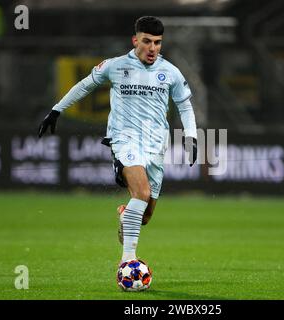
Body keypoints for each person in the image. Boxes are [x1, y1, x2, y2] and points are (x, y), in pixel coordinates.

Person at [38, 16, 198, 264]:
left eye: (157, 43)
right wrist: (56, 110)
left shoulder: (170, 72)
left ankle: (126, 216)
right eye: (147, 41)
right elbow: (84, 85)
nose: (153, 48)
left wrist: (191, 136)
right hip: (125, 139)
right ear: (135, 40)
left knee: (144, 215)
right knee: (142, 192)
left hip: (156, 146)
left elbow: (185, 106)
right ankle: (127, 262)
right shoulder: (115, 66)